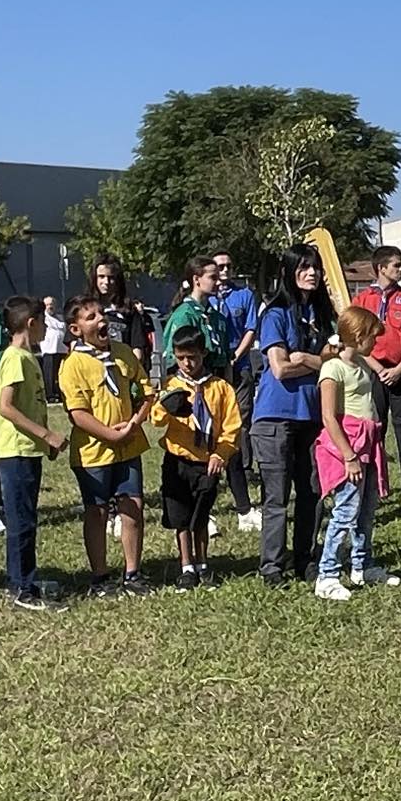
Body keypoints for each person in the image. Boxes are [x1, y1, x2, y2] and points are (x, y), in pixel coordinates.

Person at [250, 246, 334, 589]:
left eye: (315, 267)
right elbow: (281, 368)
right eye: (304, 267)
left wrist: (310, 359)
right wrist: (320, 359)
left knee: (312, 492)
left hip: (313, 415)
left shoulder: (322, 313)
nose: (311, 273)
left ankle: (305, 559)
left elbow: (339, 357)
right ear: (289, 271)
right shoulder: (276, 313)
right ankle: (272, 566)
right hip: (276, 416)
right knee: (277, 496)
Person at [59, 293, 152, 597]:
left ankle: (132, 573)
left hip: (130, 445)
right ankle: (100, 576)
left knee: (133, 507)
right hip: (94, 451)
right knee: (97, 512)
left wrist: (134, 424)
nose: (101, 320)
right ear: (76, 329)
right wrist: (111, 435)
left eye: (102, 314)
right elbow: (78, 414)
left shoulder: (124, 353)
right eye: (91, 317)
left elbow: (147, 392)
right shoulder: (73, 365)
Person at [313, 306, 392, 602]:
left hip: (369, 443)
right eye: (372, 337)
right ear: (358, 336)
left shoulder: (360, 363)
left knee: (367, 509)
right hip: (348, 446)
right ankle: (327, 573)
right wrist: (348, 455)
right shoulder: (332, 369)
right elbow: (329, 416)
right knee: (345, 510)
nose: (375, 343)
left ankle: (362, 564)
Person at [153, 324, 240, 591]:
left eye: (193, 357)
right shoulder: (171, 384)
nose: (187, 363)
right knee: (180, 517)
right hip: (177, 461)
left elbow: (231, 427)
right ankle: (186, 566)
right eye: (181, 358)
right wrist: (166, 407)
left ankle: (203, 563)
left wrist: (221, 454)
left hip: (207, 462)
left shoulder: (221, 388)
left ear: (203, 353)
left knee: (201, 515)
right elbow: (156, 419)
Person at [0, 296, 66, 610]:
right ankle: (20, 586)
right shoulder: (14, 358)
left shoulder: (28, 357)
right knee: (20, 521)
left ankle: (27, 579)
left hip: (30, 451)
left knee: (28, 519)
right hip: (15, 452)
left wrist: (44, 443)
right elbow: (5, 407)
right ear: (31, 323)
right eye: (43, 324)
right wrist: (45, 434)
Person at [354, 246, 401, 502]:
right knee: (373, 430)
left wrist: (398, 370)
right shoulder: (363, 300)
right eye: (396, 265)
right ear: (381, 268)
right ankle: (373, 483)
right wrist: (378, 368)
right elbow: (353, 339)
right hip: (372, 373)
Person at [213, 248, 261, 530]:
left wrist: (235, 356)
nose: (225, 271)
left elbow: (250, 329)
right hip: (214, 367)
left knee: (241, 419)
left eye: (229, 265)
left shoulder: (243, 295)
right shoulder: (206, 298)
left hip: (239, 363)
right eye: (220, 266)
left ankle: (243, 464)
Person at [162, 256, 234, 375]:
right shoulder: (184, 315)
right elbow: (175, 359)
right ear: (196, 279)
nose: (218, 282)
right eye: (213, 278)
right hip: (193, 381)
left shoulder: (217, 317)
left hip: (218, 382)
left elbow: (226, 358)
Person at [91, 255, 153, 374]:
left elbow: (137, 349)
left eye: (111, 278)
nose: (106, 282)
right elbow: (74, 345)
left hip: (123, 373)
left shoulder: (129, 310)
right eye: (101, 277)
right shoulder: (85, 307)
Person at [37, 295, 65, 397]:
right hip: (49, 349)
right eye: (47, 305)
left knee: (60, 373)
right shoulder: (43, 318)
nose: (50, 307)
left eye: (52, 304)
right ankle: (50, 394)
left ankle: (59, 393)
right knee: (49, 374)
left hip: (61, 349)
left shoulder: (60, 318)